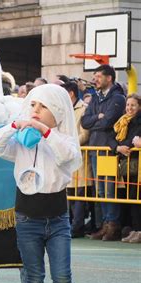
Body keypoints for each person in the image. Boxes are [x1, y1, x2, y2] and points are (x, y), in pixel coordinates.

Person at [0, 84, 83, 283]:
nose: (36, 110)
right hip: (28, 217)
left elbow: (69, 157)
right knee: (34, 275)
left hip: (58, 217)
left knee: (62, 275)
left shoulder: (62, 139)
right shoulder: (21, 141)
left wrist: (45, 132)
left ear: (58, 112)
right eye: (33, 105)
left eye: (43, 107)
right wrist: (16, 126)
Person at [81, 65, 125, 241]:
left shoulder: (118, 98)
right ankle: (105, 225)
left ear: (109, 78)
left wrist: (96, 120)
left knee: (108, 189)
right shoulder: (96, 98)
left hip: (106, 149)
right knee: (100, 190)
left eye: (98, 76)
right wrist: (96, 118)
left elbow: (108, 122)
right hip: (95, 148)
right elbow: (85, 122)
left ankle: (112, 225)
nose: (95, 79)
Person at [61, 81, 92, 238]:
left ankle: (77, 227)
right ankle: (71, 224)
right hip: (67, 156)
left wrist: (67, 143)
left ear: (71, 93)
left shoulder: (83, 109)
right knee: (69, 194)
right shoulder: (64, 110)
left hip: (79, 156)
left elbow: (84, 134)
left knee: (79, 194)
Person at [109, 94, 141, 243]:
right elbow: (111, 138)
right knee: (130, 198)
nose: (129, 108)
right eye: (128, 105)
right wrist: (118, 148)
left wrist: (123, 146)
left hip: (137, 164)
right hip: (127, 164)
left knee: (136, 197)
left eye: (133, 105)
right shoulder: (122, 121)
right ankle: (134, 229)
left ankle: (138, 230)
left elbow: (134, 140)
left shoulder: (139, 121)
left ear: (139, 107)